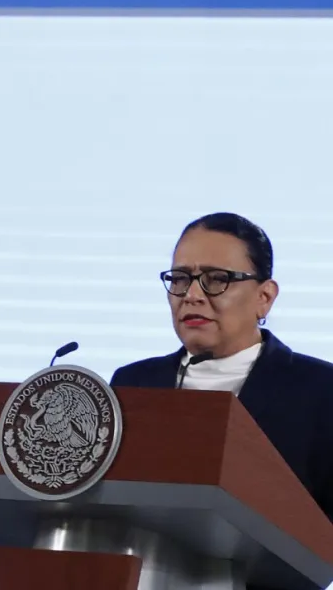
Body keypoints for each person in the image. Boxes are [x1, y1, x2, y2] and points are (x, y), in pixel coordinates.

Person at [111, 213, 333, 530]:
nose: (192, 295)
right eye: (180, 279)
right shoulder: (132, 384)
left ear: (264, 298)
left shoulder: (321, 391)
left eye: (216, 279)